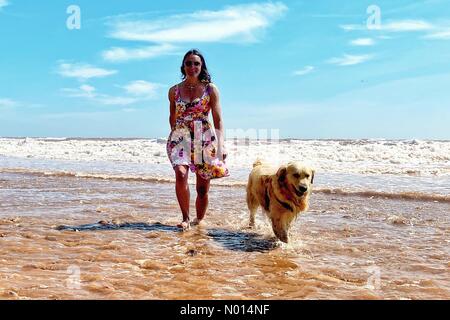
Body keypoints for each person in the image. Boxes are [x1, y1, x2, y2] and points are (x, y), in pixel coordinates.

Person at [166, 49, 229, 231]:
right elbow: (172, 116)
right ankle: (185, 218)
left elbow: (218, 118)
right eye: (188, 63)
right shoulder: (174, 91)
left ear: (201, 67)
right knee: (181, 173)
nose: (192, 67)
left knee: (202, 188)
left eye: (196, 63)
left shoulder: (211, 89)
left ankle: (199, 220)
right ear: (183, 66)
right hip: (180, 136)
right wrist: (176, 136)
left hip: (204, 136)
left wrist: (221, 144)